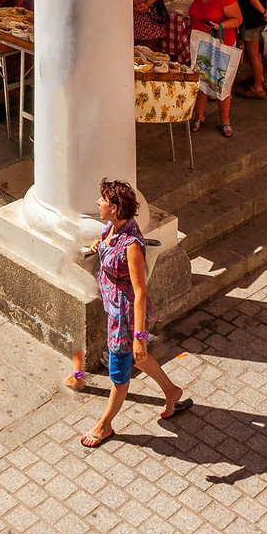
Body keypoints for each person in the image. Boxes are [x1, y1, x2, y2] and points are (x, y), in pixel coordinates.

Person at [76, 178, 188, 445]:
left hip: (125, 320)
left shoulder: (132, 245)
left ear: (114, 207)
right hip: (114, 311)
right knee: (137, 359)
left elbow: (140, 292)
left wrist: (138, 335)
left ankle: (104, 426)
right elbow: (107, 248)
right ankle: (172, 392)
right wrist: (98, 246)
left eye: (102, 199)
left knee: (118, 373)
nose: (98, 203)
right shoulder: (112, 227)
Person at [188, 0, 240, 137]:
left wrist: (219, 25)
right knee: (201, 79)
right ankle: (199, 116)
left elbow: (237, 19)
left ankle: (225, 120)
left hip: (221, 44)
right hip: (201, 42)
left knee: (221, 81)